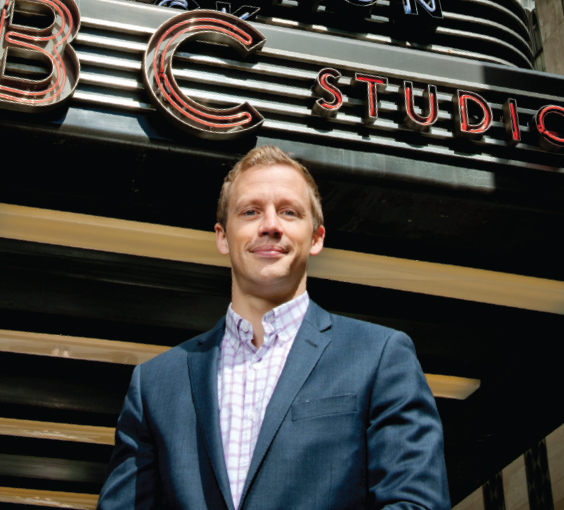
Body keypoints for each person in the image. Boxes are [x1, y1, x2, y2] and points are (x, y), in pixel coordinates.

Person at [97, 145, 450, 510]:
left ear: (316, 238)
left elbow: (416, 505)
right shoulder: (154, 385)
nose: (270, 225)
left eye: (289, 212)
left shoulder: (380, 357)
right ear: (222, 236)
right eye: (250, 211)